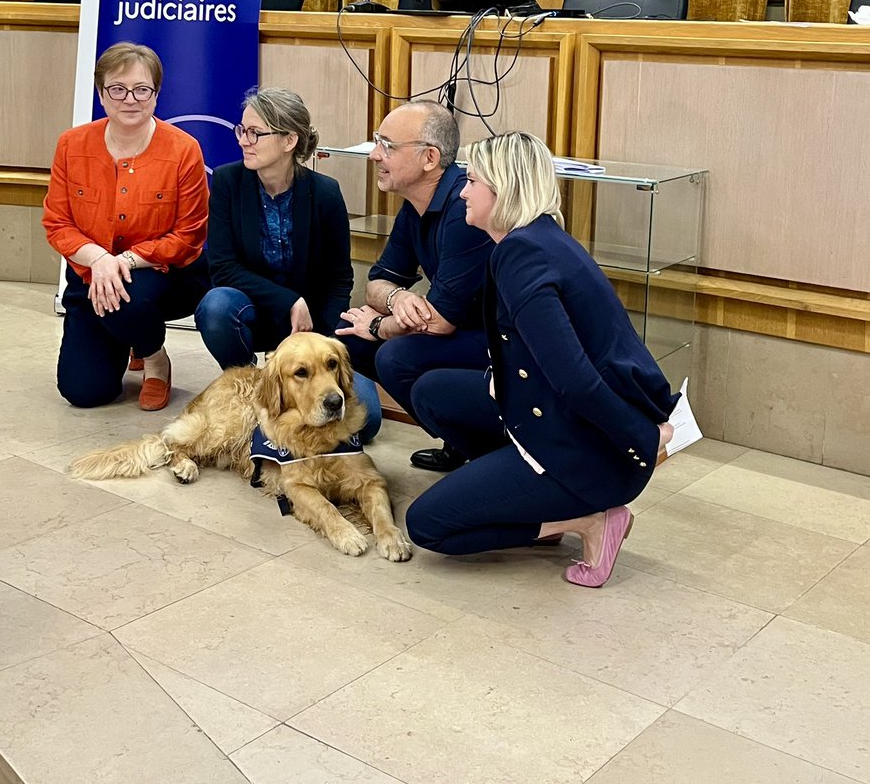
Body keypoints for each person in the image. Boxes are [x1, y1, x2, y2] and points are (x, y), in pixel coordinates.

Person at [405, 132, 678, 587]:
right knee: (432, 390)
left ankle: (586, 519)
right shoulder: (536, 239)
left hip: (590, 454)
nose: (463, 192)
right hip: (555, 418)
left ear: (503, 189)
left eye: (472, 182)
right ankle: (526, 491)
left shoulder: (523, 255)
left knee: (427, 525)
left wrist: (642, 440)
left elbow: (575, 378)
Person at [194, 87, 382, 440]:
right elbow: (222, 267)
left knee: (367, 421)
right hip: (257, 314)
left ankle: (302, 387)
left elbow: (339, 278)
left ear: (289, 140)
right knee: (216, 307)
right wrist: (290, 301)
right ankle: (252, 387)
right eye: (242, 130)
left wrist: (321, 343)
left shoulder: (325, 193)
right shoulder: (228, 182)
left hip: (313, 326)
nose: (244, 140)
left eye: (255, 133)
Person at [43, 42, 210, 411]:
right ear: (101, 94)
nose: (130, 99)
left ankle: (154, 358)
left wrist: (125, 261)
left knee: (128, 297)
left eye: (141, 89)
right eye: (117, 89)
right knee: (84, 392)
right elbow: (57, 222)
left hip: (162, 275)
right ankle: (131, 335)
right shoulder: (71, 145)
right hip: (91, 275)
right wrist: (100, 259)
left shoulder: (184, 150)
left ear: (156, 94)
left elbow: (189, 236)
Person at [335, 100, 492, 470]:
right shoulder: (415, 204)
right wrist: (398, 297)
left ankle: (488, 451)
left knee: (395, 356)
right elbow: (377, 282)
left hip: (502, 343)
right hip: (459, 330)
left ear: (429, 158)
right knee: (349, 337)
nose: (375, 155)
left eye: (388, 146)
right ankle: (460, 438)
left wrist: (378, 325)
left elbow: (440, 322)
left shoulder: (462, 208)